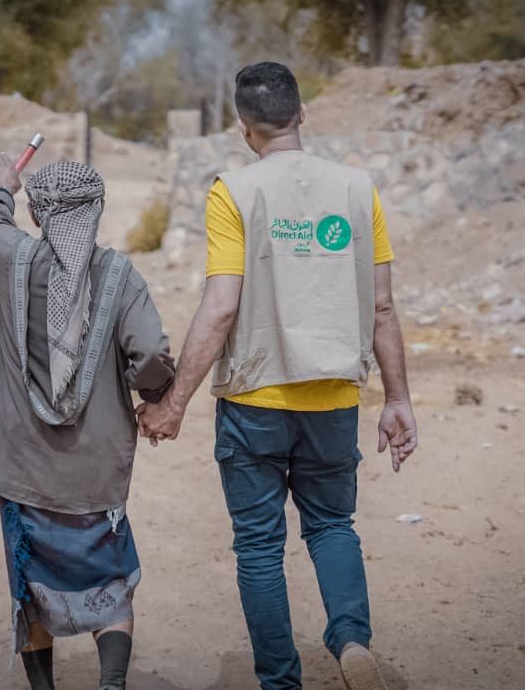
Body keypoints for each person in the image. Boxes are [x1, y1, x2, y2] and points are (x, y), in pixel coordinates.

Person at [137, 62, 418, 690]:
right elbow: (381, 307)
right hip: (334, 398)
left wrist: (174, 402)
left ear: (244, 129)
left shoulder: (234, 192)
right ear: (302, 114)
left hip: (254, 401)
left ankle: (281, 681)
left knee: (260, 548)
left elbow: (221, 307)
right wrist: (397, 398)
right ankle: (351, 640)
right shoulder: (357, 189)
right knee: (333, 526)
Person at [0, 157, 175, 690]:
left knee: (30, 588)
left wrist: (1, 188)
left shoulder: (11, 261)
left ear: (38, 216)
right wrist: (155, 396)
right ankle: (111, 683)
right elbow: (151, 351)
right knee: (109, 582)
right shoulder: (119, 276)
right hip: (96, 476)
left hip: (25, 470)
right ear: (97, 211)